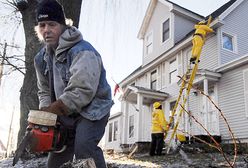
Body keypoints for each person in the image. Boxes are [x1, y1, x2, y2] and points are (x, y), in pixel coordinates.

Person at [33, 0, 113, 167]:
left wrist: (52, 110)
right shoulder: (41, 59)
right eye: (42, 25)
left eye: (52, 24)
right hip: (66, 111)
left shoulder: (83, 51)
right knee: (56, 158)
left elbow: (82, 90)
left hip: (92, 108)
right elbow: (44, 91)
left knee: (84, 148)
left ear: (63, 25)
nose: (46, 30)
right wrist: (43, 117)